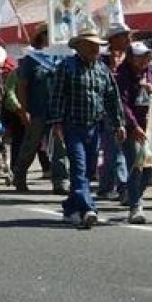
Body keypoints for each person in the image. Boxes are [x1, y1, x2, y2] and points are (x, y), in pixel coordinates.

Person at [48, 28, 126, 229]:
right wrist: (56, 123)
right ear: (80, 47)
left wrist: (119, 124)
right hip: (72, 125)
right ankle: (88, 208)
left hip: (94, 126)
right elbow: (56, 96)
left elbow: (112, 99)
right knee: (79, 167)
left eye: (97, 45)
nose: (95, 48)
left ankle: (70, 208)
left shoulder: (102, 70)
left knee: (89, 169)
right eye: (90, 45)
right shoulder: (66, 67)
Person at [116, 42, 152, 224]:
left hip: (151, 128)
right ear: (131, 57)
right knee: (136, 166)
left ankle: (132, 194)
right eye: (140, 56)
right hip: (132, 129)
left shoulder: (151, 73)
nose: (144, 60)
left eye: (147, 56)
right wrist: (133, 126)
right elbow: (122, 104)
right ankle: (135, 207)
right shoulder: (122, 76)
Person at [13, 25, 69, 194]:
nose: (51, 36)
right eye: (48, 33)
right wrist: (24, 110)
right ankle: (20, 175)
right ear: (42, 36)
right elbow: (22, 86)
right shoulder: (31, 59)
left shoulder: (61, 57)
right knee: (31, 145)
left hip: (58, 110)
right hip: (37, 109)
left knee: (59, 146)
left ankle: (60, 181)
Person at [97, 23, 132, 202]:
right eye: (123, 36)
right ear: (113, 40)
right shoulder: (102, 59)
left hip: (130, 107)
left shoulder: (132, 57)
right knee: (116, 148)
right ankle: (124, 187)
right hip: (109, 108)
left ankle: (105, 185)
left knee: (113, 149)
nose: (128, 39)